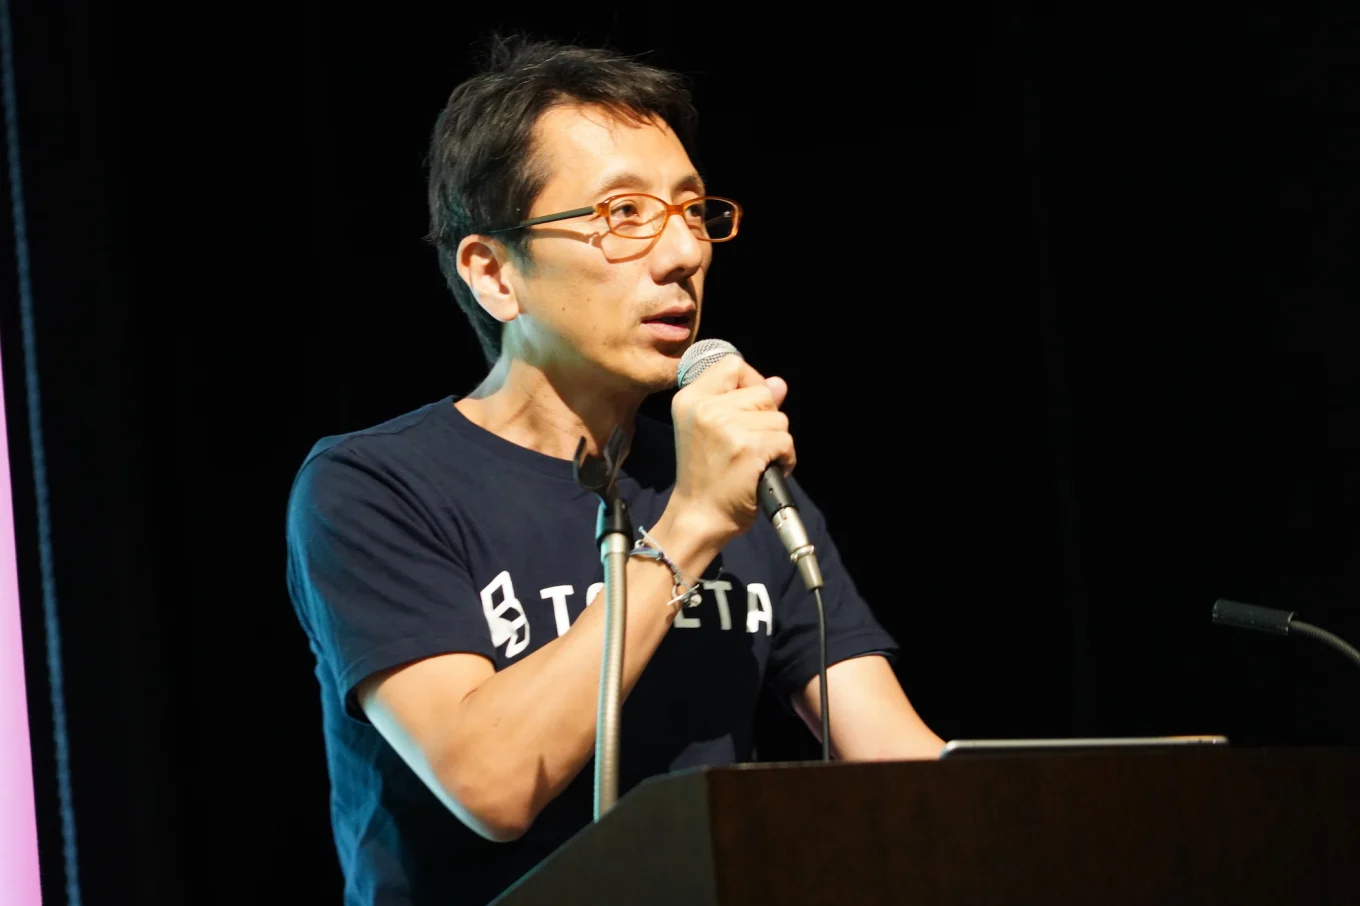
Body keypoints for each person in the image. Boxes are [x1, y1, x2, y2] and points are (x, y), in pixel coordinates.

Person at [285, 33, 944, 906]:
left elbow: (905, 768)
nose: (684, 254)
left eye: (692, 210)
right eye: (624, 214)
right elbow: (492, 783)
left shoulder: (727, 480)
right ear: (494, 274)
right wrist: (690, 526)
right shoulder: (376, 488)